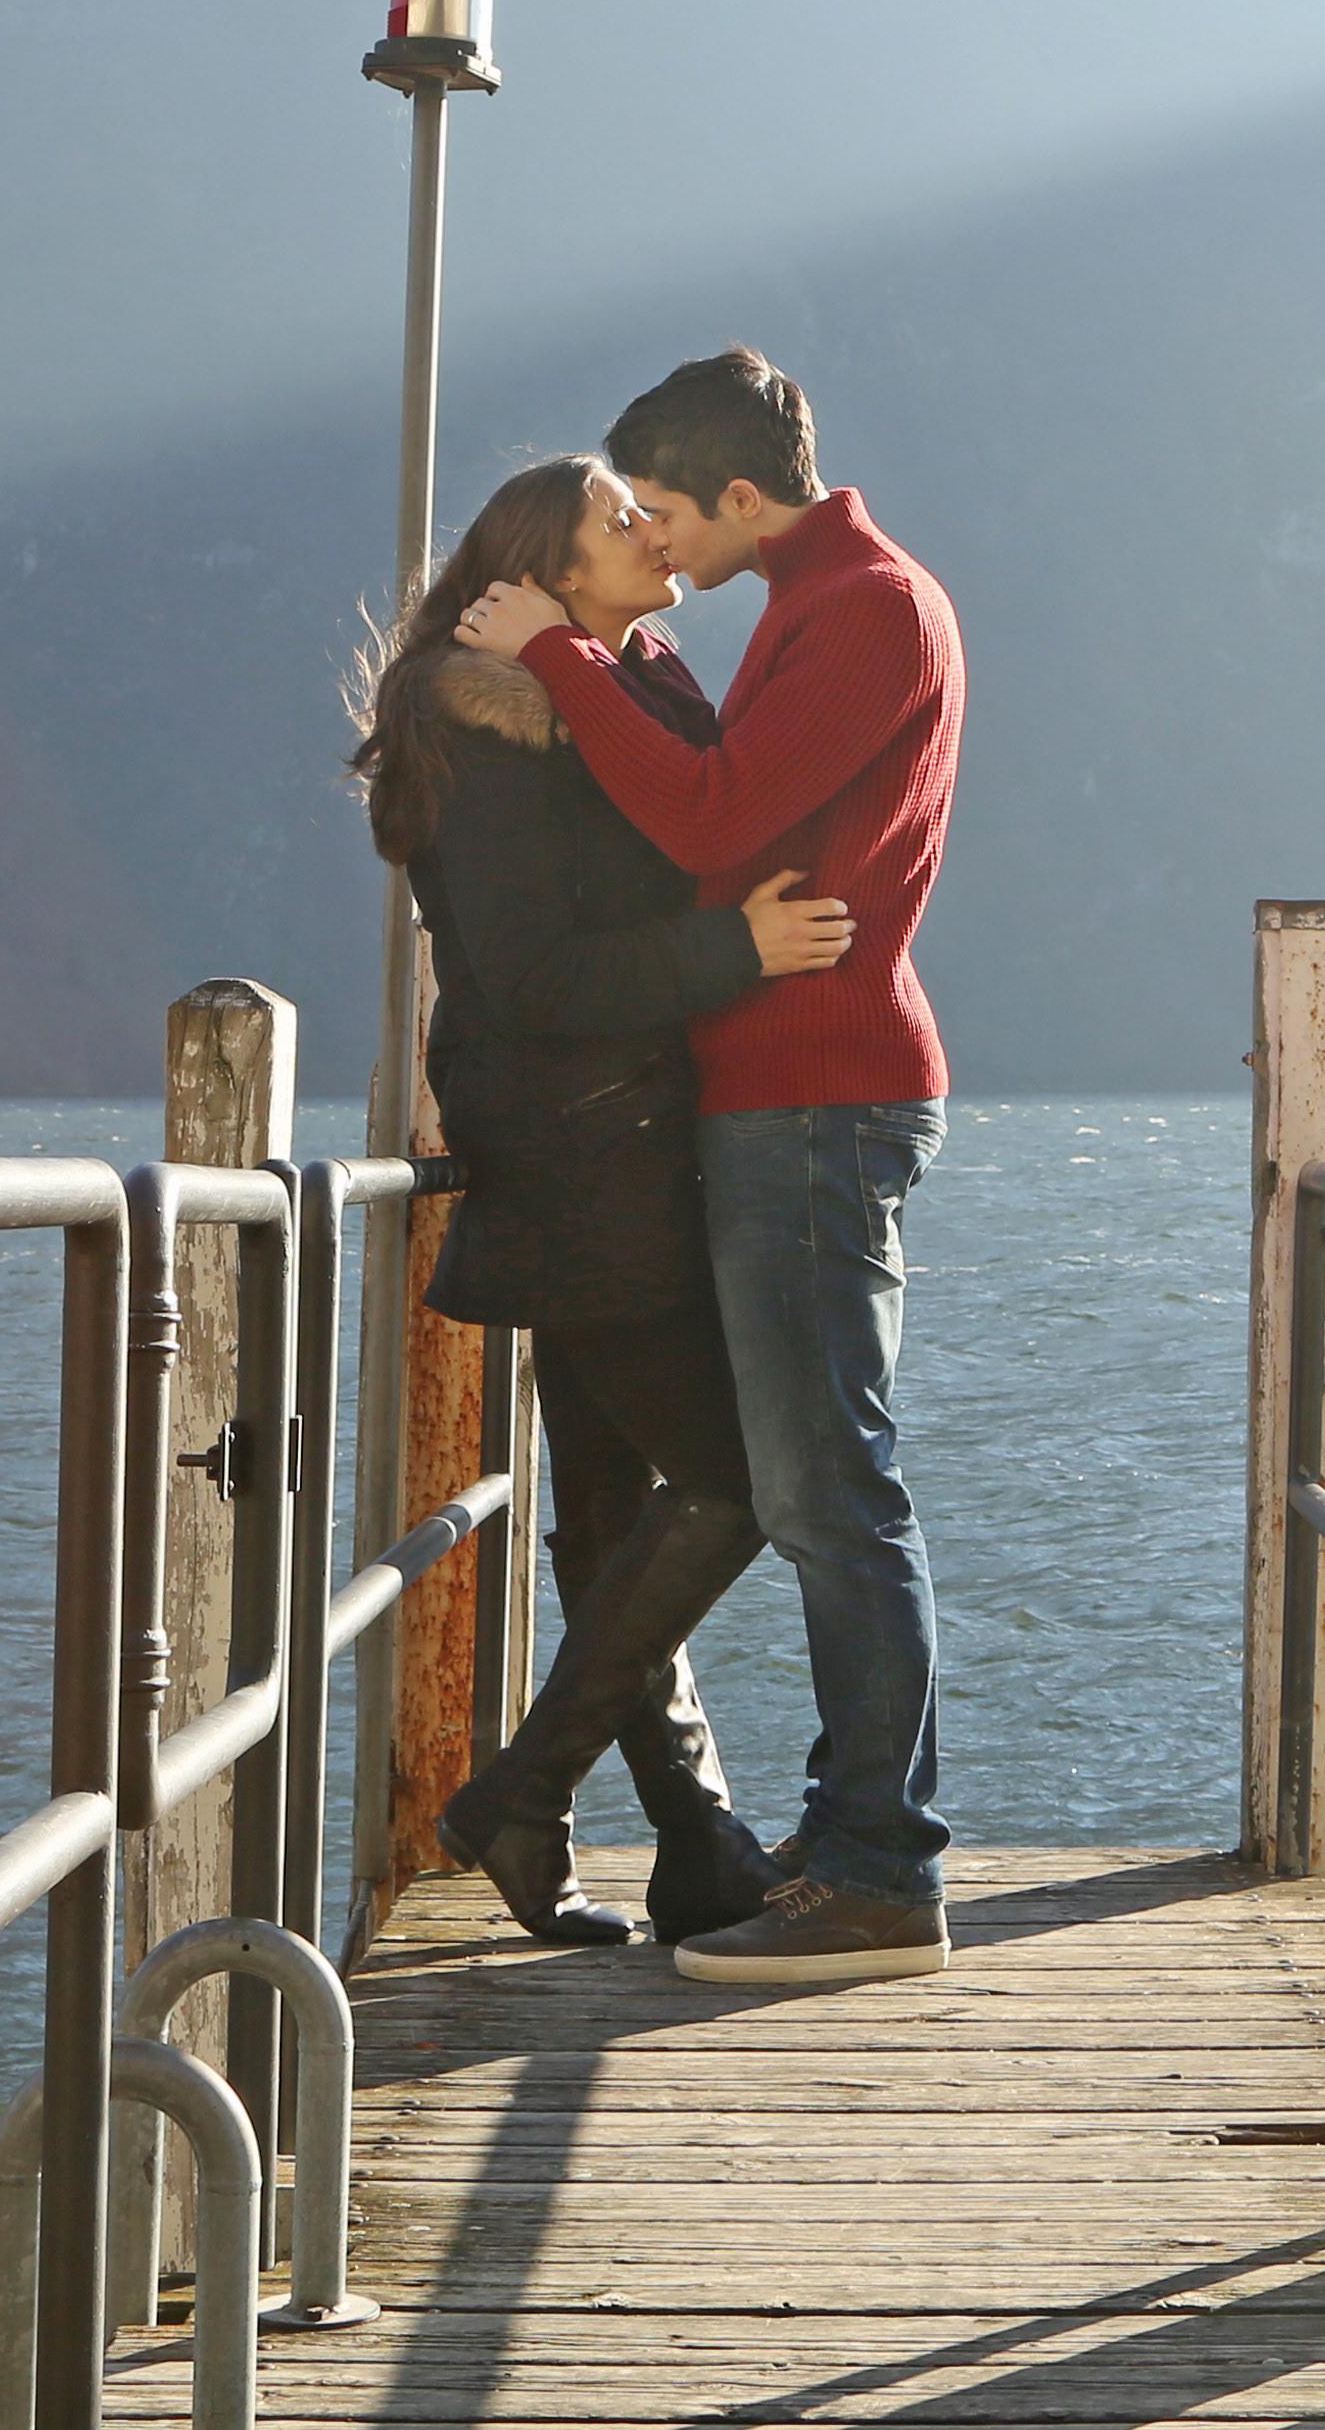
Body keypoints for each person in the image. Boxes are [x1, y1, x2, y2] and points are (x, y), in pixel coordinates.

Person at [456, 348, 964, 1986]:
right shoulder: (813, 607)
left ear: (744, 495)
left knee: (827, 1493)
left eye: (668, 512)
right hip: (775, 1093)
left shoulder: (867, 609)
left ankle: (878, 1870)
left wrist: (558, 654)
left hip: (816, 1094)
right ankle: (829, 1838)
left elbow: (709, 822)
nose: (661, 542)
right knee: (809, 1489)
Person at [353, 451, 848, 1945]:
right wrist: (737, 954)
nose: (654, 529)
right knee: (741, 1481)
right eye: (621, 519)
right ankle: (525, 1792)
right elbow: (531, 978)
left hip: (621, 1145)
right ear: (554, 574)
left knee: (610, 1511)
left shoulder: (627, 690)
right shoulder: (494, 739)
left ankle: (691, 1843)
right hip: (583, 1156)